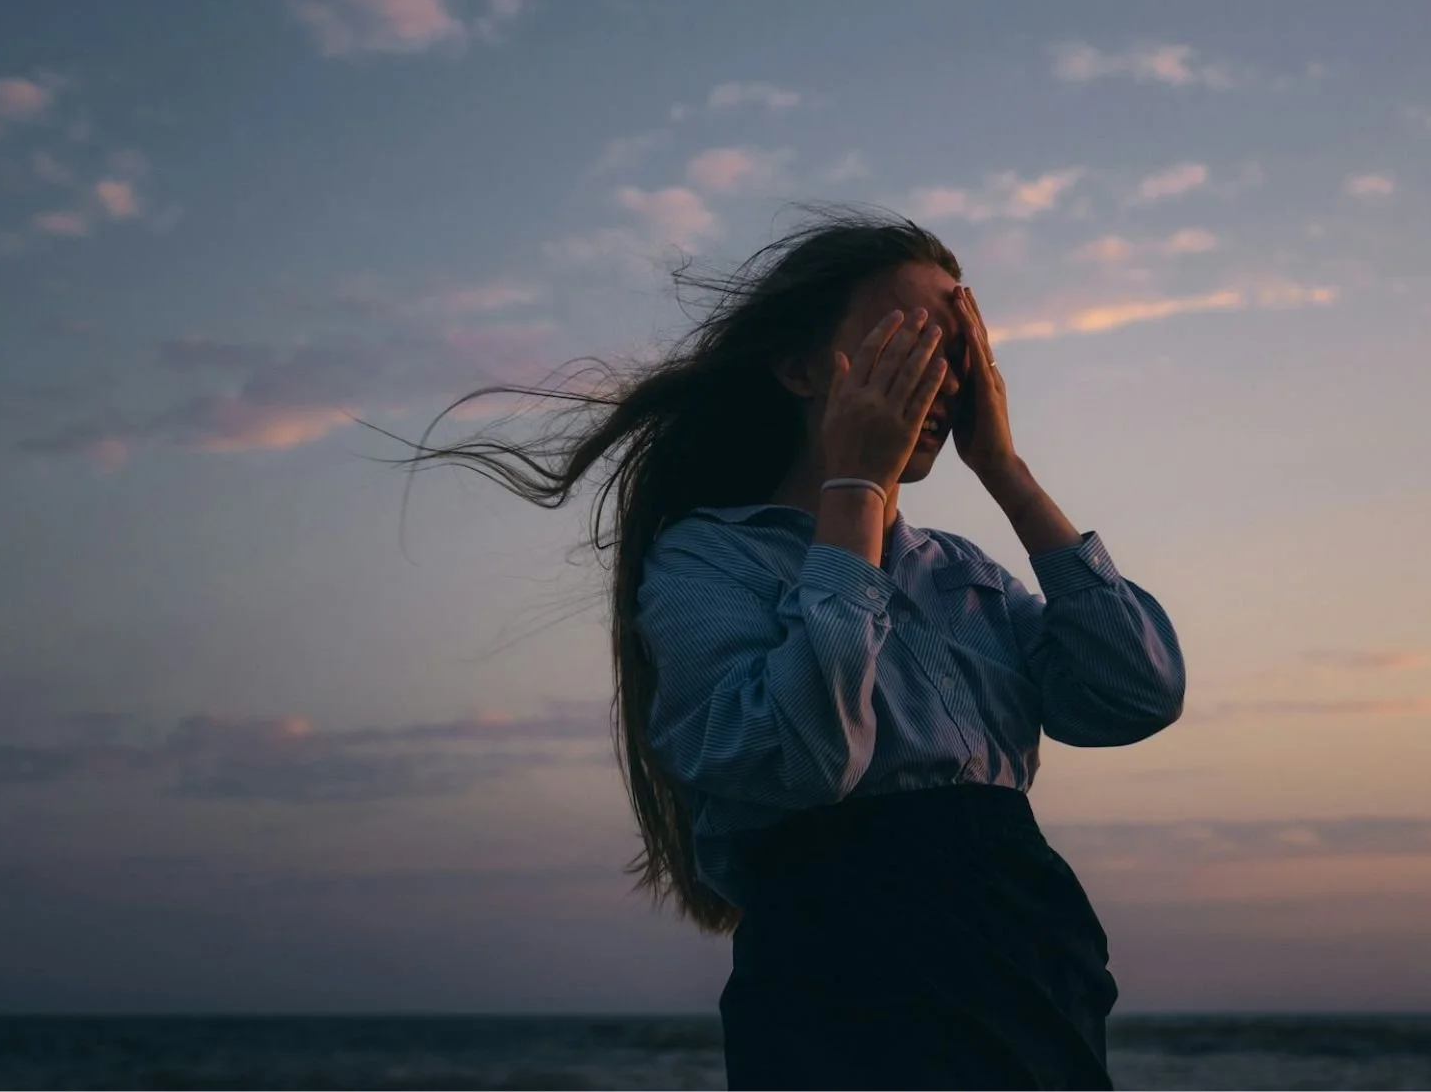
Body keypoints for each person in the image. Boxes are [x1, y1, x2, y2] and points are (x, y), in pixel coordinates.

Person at [393, 211, 1186, 1089]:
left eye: (959, 353)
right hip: (845, 970)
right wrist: (855, 489)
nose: (939, 378)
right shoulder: (709, 559)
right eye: (909, 342)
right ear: (801, 366)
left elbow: (1135, 693)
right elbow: (801, 758)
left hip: (1030, 953)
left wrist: (1003, 466)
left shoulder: (962, 569)